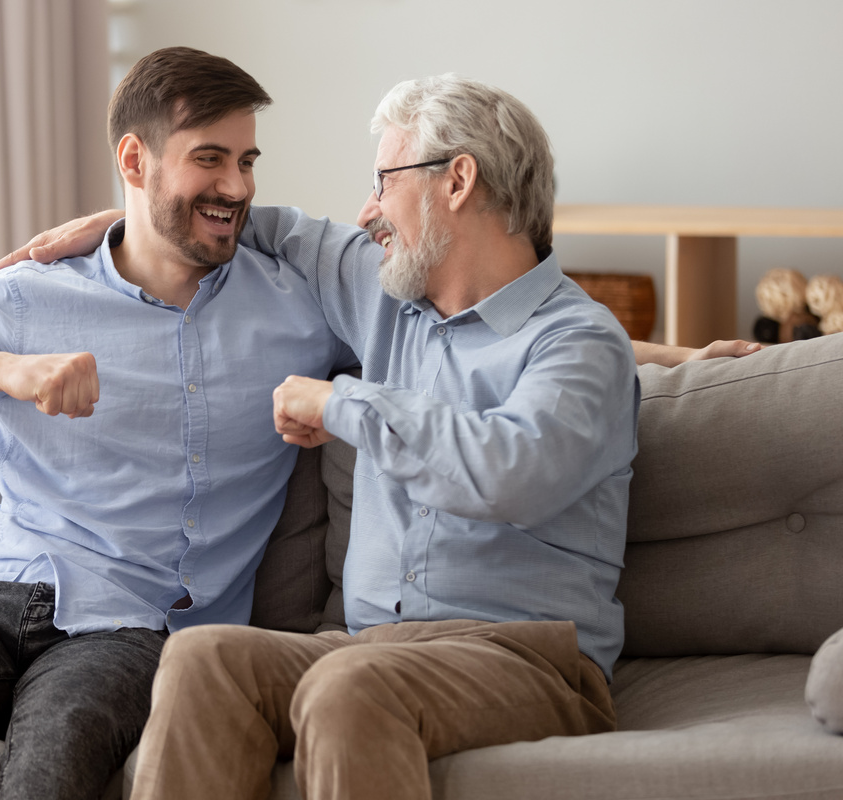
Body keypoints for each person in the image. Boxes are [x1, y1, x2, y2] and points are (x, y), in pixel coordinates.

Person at [0, 46, 356, 800]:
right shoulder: (27, 298)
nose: (238, 186)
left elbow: (427, 340)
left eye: (247, 161)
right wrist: (3, 369)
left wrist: (337, 404)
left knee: (54, 755)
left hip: (134, 629)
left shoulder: (298, 306)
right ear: (135, 158)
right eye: (210, 159)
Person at [117, 73, 645, 800]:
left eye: (384, 181)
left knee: (349, 684)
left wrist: (345, 405)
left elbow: (509, 470)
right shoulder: (386, 294)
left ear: (458, 180)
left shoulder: (578, 342)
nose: (366, 211)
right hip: (370, 650)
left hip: (527, 658)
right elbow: (236, 220)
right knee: (203, 658)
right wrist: (110, 226)